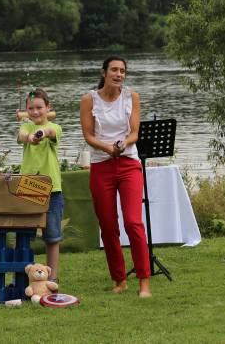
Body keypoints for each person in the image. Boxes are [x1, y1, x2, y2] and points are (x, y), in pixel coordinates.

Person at [79, 56, 152, 297]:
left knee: (133, 222)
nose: (118, 74)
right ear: (103, 73)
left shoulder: (132, 97)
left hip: (129, 163)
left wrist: (122, 144)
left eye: (122, 71)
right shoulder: (89, 100)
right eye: (114, 70)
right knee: (108, 226)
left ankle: (144, 281)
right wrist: (107, 148)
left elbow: (134, 133)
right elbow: (89, 136)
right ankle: (119, 280)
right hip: (102, 166)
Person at [17, 88, 64, 283]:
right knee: (25, 236)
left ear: (48, 107)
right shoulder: (25, 127)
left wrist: (42, 132)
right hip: (28, 187)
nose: (35, 112)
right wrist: (31, 137)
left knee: (52, 237)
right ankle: (23, 279)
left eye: (39, 108)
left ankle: (51, 280)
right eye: (31, 108)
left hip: (52, 189)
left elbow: (51, 132)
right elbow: (23, 136)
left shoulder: (56, 127)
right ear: (26, 110)